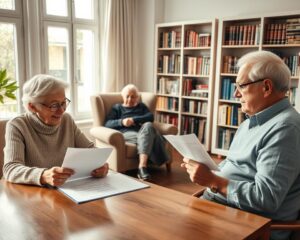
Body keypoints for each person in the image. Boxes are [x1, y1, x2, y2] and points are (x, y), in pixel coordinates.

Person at [181, 51, 300, 240]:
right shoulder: (249, 122)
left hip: (252, 225)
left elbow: (265, 199)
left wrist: (213, 181)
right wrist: (206, 170)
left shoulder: (286, 129)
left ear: (266, 87)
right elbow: (234, 166)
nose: (236, 93)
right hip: (220, 208)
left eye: (241, 86)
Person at [3, 74, 109, 187]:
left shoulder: (67, 120)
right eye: (54, 105)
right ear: (32, 107)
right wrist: (43, 175)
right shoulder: (17, 125)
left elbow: (91, 150)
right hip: (33, 195)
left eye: (63, 103)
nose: (61, 111)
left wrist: (102, 164)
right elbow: (11, 169)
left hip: (67, 190)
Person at [104, 84, 169, 180]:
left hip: (143, 132)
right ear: (123, 96)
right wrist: (122, 121)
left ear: (137, 97)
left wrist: (134, 120)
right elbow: (108, 123)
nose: (130, 99)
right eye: (127, 96)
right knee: (149, 136)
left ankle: (141, 167)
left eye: (133, 96)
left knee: (148, 125)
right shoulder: (117, 108)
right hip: (127, 134)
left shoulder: (141, 106)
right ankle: (143, 166)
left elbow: (150, 117)